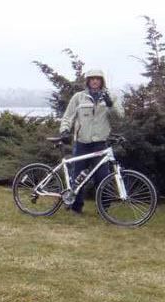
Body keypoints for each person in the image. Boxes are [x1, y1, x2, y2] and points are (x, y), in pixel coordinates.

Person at [59, 69, 124, 213]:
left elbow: (119, 117)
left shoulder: (111, 97)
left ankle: (104, 208)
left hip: (100, 143)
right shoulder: (78, 97)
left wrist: (110, 105)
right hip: (81, 143)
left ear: (102, 81)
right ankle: (76, 208)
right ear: (87, 81)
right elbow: (68, 116)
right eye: (92, 78)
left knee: (103, 177)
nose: (94, 81)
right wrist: (64, 129)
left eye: (97, 78)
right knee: (78, 177)